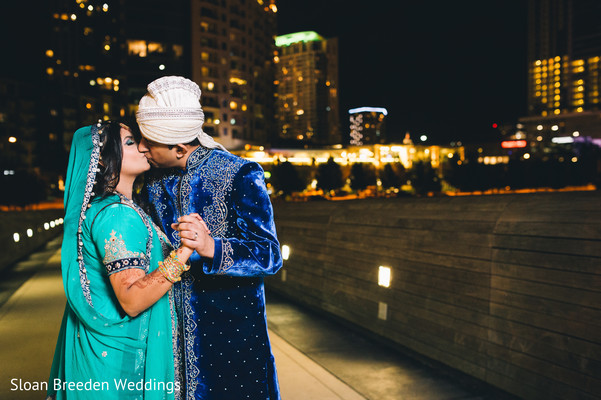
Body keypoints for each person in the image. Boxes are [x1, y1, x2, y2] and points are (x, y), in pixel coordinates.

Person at [135, 76, 283, 399]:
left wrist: (210, 246)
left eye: (149, 141)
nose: (142, 148)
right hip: (170, 344)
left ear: (179, 147)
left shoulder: (241, 174)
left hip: (234, 346)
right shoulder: (152, 182)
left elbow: (270, 254)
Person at [46, 120, 204, 399]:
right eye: (131, 142)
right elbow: (131, 299)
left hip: (109, 356)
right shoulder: (117, 214)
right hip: (121, 366)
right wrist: (185, 249)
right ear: (105, 162)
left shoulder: (115, 209)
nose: (143, 146)